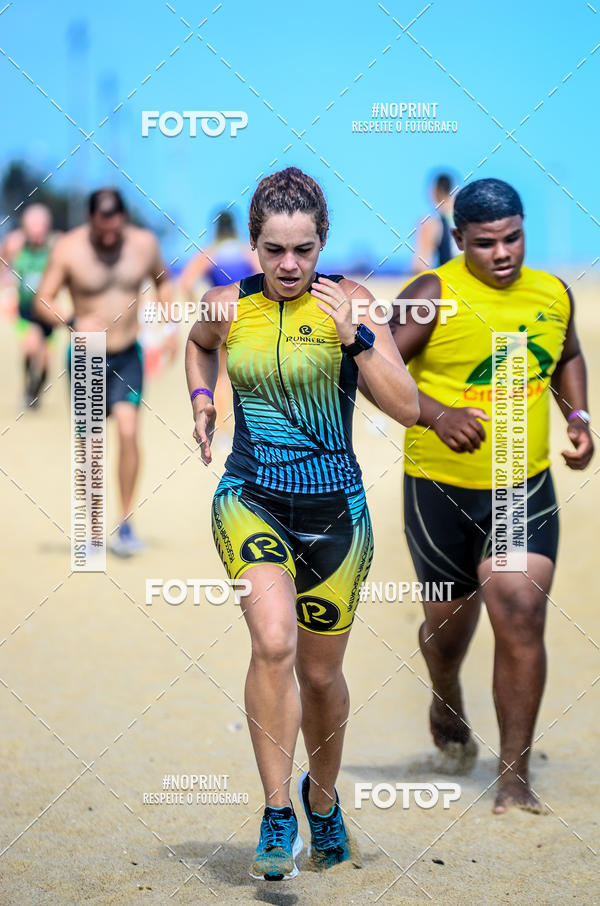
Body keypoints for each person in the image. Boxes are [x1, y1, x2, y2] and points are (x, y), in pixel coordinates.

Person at [185, 167, 419, 880]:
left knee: (321, 678)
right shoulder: (227, 305)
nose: (289, 266)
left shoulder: (351, 303)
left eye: (304, 250)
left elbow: (407, 408)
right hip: (251, 496)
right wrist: (203, 398)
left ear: (323, 244)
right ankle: (277, 811)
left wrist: (356, 339)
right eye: (274, 250)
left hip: (337, 512)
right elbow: (198, 344)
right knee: (274, 642)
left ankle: (323, 800)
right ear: (252, 245)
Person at [379, 177, 593, 813]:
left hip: (520, 484)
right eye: (485, 243)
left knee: (520, 611)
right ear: (459, 240)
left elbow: (568, 356)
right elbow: (370, 366)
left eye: (513, 238)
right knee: (448, 636)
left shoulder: (552, 293)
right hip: (439, 492)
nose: (503, 253)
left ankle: (514, 778)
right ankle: (445, 690)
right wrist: (436, 413)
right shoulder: (431, 295)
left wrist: (579, 420)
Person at [33, 187, 177, 556]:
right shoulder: (69, 248)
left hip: (128, 354)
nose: (109, 237)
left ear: (123, 218)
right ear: (91, 219)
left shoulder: (144, 244)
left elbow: (164, 283)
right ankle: (92, 531)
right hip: (87, 355)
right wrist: (72, 318)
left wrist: (170, 327)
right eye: (102, 230)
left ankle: (126, 524)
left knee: (129, 433)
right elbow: (41, 300)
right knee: (91, 445)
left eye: (115, 229)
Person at [180, 210, 260, 441]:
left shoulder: (210, 253)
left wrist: (200, 308)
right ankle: (255, 429)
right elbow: (264, 275)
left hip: (220, 318)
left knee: (223, 377)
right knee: (254, 372)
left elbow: (185, 282)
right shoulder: (247, 251)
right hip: (248, 317)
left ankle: (224, 431)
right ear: (236, 227)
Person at [11, 204, 55, 407]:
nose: (37, 229)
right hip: (25, 310)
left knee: (46, 358)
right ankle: (28, 390)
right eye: (33, 225)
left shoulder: (55, 248)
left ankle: (35, 392)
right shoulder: (15, 245)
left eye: (41, 225)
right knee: (30, 346)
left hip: (47, 310)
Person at [411, 172, 459, 273]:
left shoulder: (431, 223)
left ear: (434, 192)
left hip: (450, 283)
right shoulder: (470, 217)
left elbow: (420, 266)